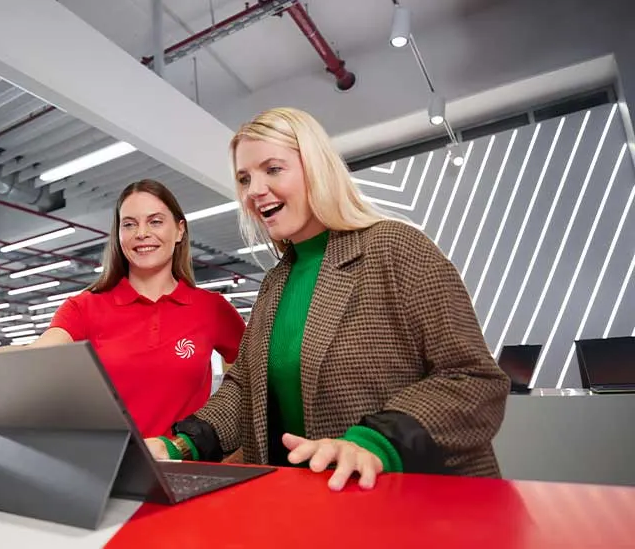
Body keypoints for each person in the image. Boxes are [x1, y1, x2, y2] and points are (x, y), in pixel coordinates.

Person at [146, 107, 510, 491]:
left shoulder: (395, 247)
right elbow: (243, 391)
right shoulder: (275, 283)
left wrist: (375, 443)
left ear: (316, 168)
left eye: (272, 169)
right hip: (311, 507)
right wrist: (180, 444)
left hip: (415, 502)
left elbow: (473, 380)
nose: (253, 190)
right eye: (244, 178)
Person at [0, 179, 246, 438]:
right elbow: (39, 357)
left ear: (179, 230)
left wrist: (229, 450)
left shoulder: (211, 309)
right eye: (129, 223)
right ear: (118, 234)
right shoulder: (85, 306)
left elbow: (246, 385)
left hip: (188, 470)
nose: (142, 233)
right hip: (111, 473)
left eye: (155, 221)